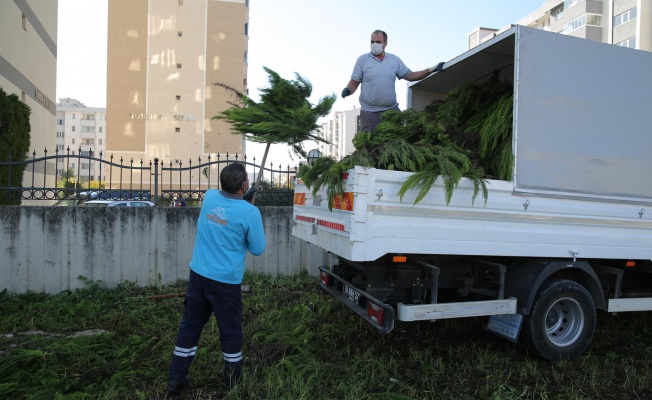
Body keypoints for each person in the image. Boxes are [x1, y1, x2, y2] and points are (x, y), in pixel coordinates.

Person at [168, 163, 266, 394]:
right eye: (246, 182)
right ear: (244, 185)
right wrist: (246, 206)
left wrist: (242, 198)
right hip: (225, 284)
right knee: (230, 332)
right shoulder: (250, 213)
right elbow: (258, 249)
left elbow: (225, 199)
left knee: (190, 327)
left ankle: (176, 379)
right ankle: (233, 384)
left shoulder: (210, 197)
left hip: (198, 276)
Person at [341, 29, 445, 133]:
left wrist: (431, 69)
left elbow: (411, 76)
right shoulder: (362, 60)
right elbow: (354, 82)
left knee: (396, 139)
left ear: (385, 44)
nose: (374, 44)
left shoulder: (394, 60)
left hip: (390, 111)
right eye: (372, 42)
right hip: (369, 113)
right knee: (370, 144)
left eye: (378, 42)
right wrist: (348, 90)